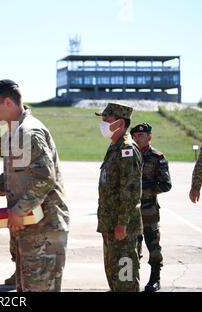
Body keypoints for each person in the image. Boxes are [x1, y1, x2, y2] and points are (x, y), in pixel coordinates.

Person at [0, 79, 70, 292]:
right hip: (30, 229)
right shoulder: (16, 133)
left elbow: (44, 178)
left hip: (44, 230)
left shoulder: (28, 132)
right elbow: (12, 179)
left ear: (8, 103)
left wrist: (19, 209)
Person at [96, 102, 143, 292]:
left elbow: (131, 192)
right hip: (112, 227)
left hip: (122, 230)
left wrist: (122, 223)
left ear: (121, 123)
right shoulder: (115, 147)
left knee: (126, 282)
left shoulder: (127, 150)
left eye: (107, 119)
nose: (103, 123)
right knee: (115, 281)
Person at [131, 122, 172, 292]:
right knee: (132, 245)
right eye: (135, 135)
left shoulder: (157, 157)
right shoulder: (127, 154)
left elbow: (166, 184)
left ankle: (155, 278)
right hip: (131, 209)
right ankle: (131, 279)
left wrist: (143, 189)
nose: (137, 137)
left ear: (149, 137)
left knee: (152, 245)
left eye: (141, 135)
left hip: (149, 210)